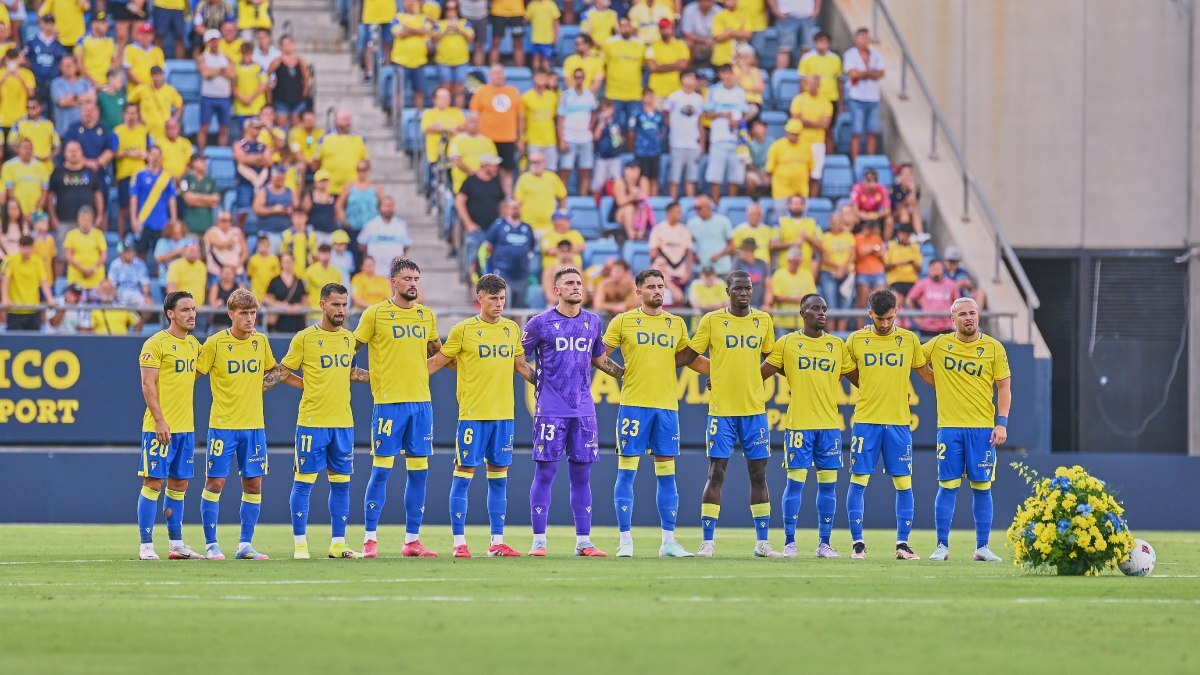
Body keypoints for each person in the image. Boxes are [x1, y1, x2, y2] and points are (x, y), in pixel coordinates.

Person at [427, 274, 535, 557]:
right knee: (463, 476)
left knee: (499, 479)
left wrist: (551, 384)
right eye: (493, 298)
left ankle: (497, 542)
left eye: (502, 298)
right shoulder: (463, 330)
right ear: (480, 298)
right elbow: (437, 362)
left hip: (504, 416)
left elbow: (522, 367)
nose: (499, 304)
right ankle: (459, 543)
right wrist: (400, 379)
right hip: (473, 415)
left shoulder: (512, 329)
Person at [522, 267, 624, 556]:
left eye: (579, 282)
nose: (576, 287)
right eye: (569, 283)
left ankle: (583, 541)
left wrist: (628, 376)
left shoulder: (593, 322)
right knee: (546, 472)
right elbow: (518, 359)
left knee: (582, 476)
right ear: (557, 290)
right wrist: (540, 382)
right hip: (550, 411)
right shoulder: (539, 323)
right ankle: (539, 541)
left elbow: (601, 360)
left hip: (583, 410)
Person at [602, 269, 704, 557]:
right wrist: (619, 372)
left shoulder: (676, 323)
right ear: (638, 291)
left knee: (667, 475)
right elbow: (599, 355)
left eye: (661, 286)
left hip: (667, 407)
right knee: (626, 474)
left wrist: (721, 374)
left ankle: (668, 542)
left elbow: (690, 360)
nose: (658, 291)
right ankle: (625, 541)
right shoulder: (623, 321)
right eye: (651, 287)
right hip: (634, 405)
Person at [350, 258, 443, 558]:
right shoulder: (375, 315)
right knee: (381, 472)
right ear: (393, 282)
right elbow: (348, 351)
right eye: (407, 278)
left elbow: (438, 355)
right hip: (389, 405)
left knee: (419, 474)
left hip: (421, 404)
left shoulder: (426, 316)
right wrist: (366, 376)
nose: (413, 283)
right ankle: (369, 539)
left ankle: (412, 540)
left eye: (416, 278)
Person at [688, 270, 784, 558]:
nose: (743, 293)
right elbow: (690, 355)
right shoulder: (712, 320)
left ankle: (763, 543)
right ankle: (707, 541)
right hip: (722, 411)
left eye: (748, 288)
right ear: (727, 291)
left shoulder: (763, 320)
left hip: (754, 410)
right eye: (738, 288)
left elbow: (774, 357)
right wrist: (715, 372)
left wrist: (753, 378)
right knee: (716, 473)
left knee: (759, 475)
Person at [277, 283, 370, 559]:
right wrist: (307, 385)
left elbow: (349, 372)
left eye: (344, 304)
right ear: (322, 304)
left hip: (343, 422)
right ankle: (300, 544)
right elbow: (283, 371)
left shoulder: (348, 339)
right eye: (335, 304)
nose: (341, 310)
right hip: (312, 422)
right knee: (304, 482)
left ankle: (338, 543)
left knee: (341, 483)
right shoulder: (304, 338)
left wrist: (383, 376)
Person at [195, 288, 288, 560]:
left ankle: (245, 544)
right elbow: (195, 375)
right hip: (223, 425)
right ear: (231, 314)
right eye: (244, 313)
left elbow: (272, 371)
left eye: (253, 313)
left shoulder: (261, 341)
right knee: (215, 483)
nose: (250, 319)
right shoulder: (214, 344)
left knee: (254, 484)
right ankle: (211, 544)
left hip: (254, 426)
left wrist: (258, 387)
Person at [762, 293, 857, 558]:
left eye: (825, 309)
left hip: (829, 426)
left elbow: (860, 380)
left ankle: (824, 543)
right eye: (815, 308)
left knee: (828, 486)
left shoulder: (837, 346)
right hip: (799, 425)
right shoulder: (788, 343)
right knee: (795, 485)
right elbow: (759, 375)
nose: (822, 313)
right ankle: (790, 543)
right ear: (802, 313)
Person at [844, 288, 934, 561]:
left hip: (898, 423)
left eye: (890, 319)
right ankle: (858, 544)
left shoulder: (909, 340)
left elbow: (926, 375)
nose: (884, 324)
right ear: (870, 314)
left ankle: (902, 545)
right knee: (858, 481)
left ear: (897, 313)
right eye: (879, 319)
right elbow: (848, 371)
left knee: (904, 483)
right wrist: (873, 387)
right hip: (866, 421)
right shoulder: (856, 340)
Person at [922, 297, 1012, 563]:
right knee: (947, 487)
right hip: (949, 428)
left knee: (982, 487)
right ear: (952, 320)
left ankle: (982, 547)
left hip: (983, 429)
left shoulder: (993, 348)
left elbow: (1004, 387)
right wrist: (934, 380)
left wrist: (1002, 422)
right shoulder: (939, 344)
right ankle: (941, 546)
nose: (968, 318)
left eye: (972, 313)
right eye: (962, 314)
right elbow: (913, 358)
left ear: (979, 316)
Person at [133, 291, 202, 560]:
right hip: (159, 428)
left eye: (194, 309)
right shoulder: (155, 344)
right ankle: (146, 545)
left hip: (186, 428)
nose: (192, 314)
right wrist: (160, 420)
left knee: (180, 485)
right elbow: (147, 384)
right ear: (170, 314)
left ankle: (176, 544)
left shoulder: (195, 346)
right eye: (185, 310)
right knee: (153, 482)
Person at [469, 65, 522, 194]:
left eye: (500, 72)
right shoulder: (481, 92)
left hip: (508, 138)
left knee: (507, 170)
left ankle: (508, 198)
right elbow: (474, 115)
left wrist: (521, 138)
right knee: (487, 170)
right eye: (495, 73)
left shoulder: (513, 92)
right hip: (486, 139)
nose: (498, 76)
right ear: (490, 76)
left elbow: (520, 117)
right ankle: (489, 196)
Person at [703, 65, 747, 199]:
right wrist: (722, 114)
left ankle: (731, 202)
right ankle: (715, 204)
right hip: (719, 138)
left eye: (729, 73)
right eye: (724, 73)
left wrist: (738, 122)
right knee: (716, 175)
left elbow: (745, 114)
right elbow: (706, 113)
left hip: (737, 139)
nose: (727, 76)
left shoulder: (740, 92)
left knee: (735, 176)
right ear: (720, 75)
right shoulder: (713, 91)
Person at [843, 27, 885, 163]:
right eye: (862, 37)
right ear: (856, 39)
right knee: (857, 131)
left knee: (872, 131)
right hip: (857, 97)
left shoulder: (876, 55)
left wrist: (864, 74)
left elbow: (881, 73)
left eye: (867, 37)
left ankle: (870, 161)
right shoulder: (850, 54)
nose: (865, 40)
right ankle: (856, 162)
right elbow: (853, 73)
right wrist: (870, 74)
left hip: (873, 97)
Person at [483, 199, 536, 308]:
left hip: (521, 273)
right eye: (513, 207)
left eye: (517, 207)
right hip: (503, 272)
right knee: (502, 304)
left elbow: (530, 248)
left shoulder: (527, 228)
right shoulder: (498, 226)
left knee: (519, 306)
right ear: (507, 209)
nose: (515, 210)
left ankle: (517, 326)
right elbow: (488, 246)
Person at [798, 31, 843, 152]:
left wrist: (840, 102)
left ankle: (828, 157)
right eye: (819, 42)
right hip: (812, 99)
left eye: (825, 42)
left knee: (829, 130)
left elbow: (838, 81)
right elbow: (802, 80)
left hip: (830, 98)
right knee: (809, 128)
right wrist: (802, 98)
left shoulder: (835, 59)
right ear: (815, 43)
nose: (822, 45)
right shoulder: (807, 58)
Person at [129, 146, 178, 256]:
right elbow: (133, 198)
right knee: (140, 252)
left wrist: (173, 219)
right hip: (143, 220)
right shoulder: (139, 175)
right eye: (152, 155)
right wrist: (133, 219)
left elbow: (172, 198)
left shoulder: (167, 177)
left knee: (161, 254)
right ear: (148, 155)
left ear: (161, 157)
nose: (155, 158)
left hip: (162, 223)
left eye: (158, 155)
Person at [112, 103, 151, 238]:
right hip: (124, 174)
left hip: (141, 175)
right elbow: (114, 153)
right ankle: (121, 240)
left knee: (141, 207)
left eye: (134, 113)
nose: (131, 116)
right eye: (129, 113)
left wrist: (146, 155)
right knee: (124, 209)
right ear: (124, 114)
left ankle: (138, 237)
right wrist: (131, 154)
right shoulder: (117, 131)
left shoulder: (144, 131)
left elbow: (149, 152)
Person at [48, 140, 104, 236]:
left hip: (87, 221)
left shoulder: (90, 172)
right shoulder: (57, 172)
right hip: (64, 221)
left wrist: (99, 215)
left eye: (76, 150)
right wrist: (53, 217)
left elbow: (98, 194)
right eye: (70, 151)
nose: (73, 153)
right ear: (65, 153)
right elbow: (50, 196)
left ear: (82, 152)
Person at [556, 69, 598, 194]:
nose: (578, 80)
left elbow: (594, 112)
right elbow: (560, 118)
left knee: (585, 170)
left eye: (581, 77)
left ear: (584, 79)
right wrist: (561, 139)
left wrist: (591, 124)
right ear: (573, 79)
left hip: (585, 138)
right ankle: (562, 197)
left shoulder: (589, 95)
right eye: (576, 77)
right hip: (569, 138)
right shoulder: (566, 95)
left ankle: (583, 198)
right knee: (565, 170)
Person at [663, 70, 703, 199]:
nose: (692, 80)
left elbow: (700, 122)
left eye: (693, 77)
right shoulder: (674, 97)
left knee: (691, 178)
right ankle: (672, 203)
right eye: (689, 77)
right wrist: (672, 129)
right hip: (677, 143)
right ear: (682, 80)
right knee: (675, 177)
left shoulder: (698, 98)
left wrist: (701, 142)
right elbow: (665, 114)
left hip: (693, 143)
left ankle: (690, 203)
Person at [453, 154, 503, 257]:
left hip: (492, 228)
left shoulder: (495, 182)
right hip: (476, 229)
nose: (496, 168)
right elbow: (459, 202)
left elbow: (501, 203)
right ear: (485, 165)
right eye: (493, 165)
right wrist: (468, 223)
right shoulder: (471, 181)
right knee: (473, 258)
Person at [1, 235, 55, 330]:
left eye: (28, 247)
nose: (26, 251)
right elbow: (5, 280)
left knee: (33, 343)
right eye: (23, 247)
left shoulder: (38, 261)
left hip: (33, 310)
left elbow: (43, 281)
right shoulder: (10, 259)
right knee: (15, 343)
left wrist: (50, 298)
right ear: (19, 247)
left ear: (32, 247)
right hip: (15, 310)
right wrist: (5, 298)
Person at [790, 74, 832, 196]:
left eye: (814, 84)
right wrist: (816, 122)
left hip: (818, 142)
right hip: (800, 142)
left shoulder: (825, 102)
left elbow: (825, 125)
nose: (812, 86)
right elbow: (796, 120)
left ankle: (812, 202)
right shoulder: (798, 100)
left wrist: (805, 121)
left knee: (815, 176)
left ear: (819, 85)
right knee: (801, 175)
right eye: (809, 83)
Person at [389, 0, 434, 108]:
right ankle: (396, 118)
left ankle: (418, 118)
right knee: (398, 91)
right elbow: (399, 34)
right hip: (400, 61)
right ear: (403, 3)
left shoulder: (424, 18)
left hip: (419, 61)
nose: (410, 3)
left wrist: (409, 29)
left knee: (419, 92)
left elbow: (427, 31)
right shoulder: (397, 18)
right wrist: (418, 30)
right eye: (407, 1)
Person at [601, 18, 645, 126]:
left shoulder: (640, 44)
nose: (625, 28)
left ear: (631, 27)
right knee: (614, 127)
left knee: (633, 127)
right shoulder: (609, 43)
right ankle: (616, 144)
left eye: (627, 25)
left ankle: (630, 144)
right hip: (614, 94)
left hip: (634, 94)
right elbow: (603, 66)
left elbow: (645, 66)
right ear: (618, 28)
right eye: (622, 26)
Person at [196, 29, 234, 152]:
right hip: (208, 96)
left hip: (224, 96)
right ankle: (201, 152)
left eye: (216, 41)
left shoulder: (226, 58)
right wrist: (221, 71)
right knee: (204, 126)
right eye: (212, 41)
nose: (214, 44)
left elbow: (233, 74)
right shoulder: (203, 57)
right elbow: (205, 73)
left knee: (224, 127)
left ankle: (221, 151)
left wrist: (214, 71)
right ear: (207, 43)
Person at [818, 212, 855, 331]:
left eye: (837, 222)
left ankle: (841, 340)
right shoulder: (826, 237)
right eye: (832, 222)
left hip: (847, 275)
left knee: (845, 308)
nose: (835, 224)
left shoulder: (848, 236)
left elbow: (852, 255)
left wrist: (843, 269)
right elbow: (824, 258)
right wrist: (838, 268)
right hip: (829, 273)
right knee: (831, 306)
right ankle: (832, 337)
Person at [513, 151, 567, 234]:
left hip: (549, 226)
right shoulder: (523, 179)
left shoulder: (552, 177)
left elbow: (563, 196)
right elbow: (517, 202)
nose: (536, 164)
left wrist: (561, 214)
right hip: (528, 226)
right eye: (533, 162)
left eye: (538, 162)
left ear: (544, 162)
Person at [765, 119, 812, 210]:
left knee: (801, 220)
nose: (794, 136)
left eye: (796, 133)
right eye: (792, 133)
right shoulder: (777, 146)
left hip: (801, 191)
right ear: (786, 132)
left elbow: (810, 168)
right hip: (781, 191)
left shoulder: (806, 146)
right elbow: (769, 169)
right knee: (781, 219)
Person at [769, 245, 816, 334]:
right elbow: (775, 296)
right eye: (795, 262)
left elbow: (813, 296)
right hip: (782, 321)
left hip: (801, 322)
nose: (797, 265)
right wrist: (793, 298)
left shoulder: (807, 275)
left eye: (799, 262)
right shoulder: (779, 274)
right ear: (789, 261)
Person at [433, 2, 473, 106]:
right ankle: (446, 113)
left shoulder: (465, 23)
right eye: (449, 9)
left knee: (459, 89)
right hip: (443, 61)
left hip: (461, 60)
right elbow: (434, 39)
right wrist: (446, 28)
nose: (452, 11)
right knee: (445, 89)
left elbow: (471, 38)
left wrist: (459, 29)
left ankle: (458, 113)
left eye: (454, 9)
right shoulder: (439, 23)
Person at [907, 259, 960, 338]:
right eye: (933, 269)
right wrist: (916, 319)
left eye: (938, 269)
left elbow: (958, 304)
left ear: (943, 269)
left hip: (946, 327)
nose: (935, 271)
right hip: (927, 327)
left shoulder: (951, 284)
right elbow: (909, 299)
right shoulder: (922, 283)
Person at [357, 196, 412, 269]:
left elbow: (406, 246)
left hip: (395, 270)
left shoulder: (401, 225)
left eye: (390, 205)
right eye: (385, 205)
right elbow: (361, 245)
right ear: (379, 207)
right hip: (375, 271)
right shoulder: (370, 224)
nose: (388, 208)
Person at [628, 89, 665, 196]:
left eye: (651, 96)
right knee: (643, 178)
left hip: (655, 151)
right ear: (642, 98)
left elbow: (662, 130)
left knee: (654, 178)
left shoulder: (659, 114)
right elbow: (631, 131)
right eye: (646, 96)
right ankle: (644, 200)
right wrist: (632, 147)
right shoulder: (637, 114)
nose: (649, 99)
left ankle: (653, 201)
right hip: (641, 151)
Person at [447, 111, 496, 192]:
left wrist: (481, 175)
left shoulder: (487, 141)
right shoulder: (457, 140)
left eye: (477, 121)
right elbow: (456, 160)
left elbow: (493, 162)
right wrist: (473, 174)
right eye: (471, 121)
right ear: (465, 123)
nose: (474, 124)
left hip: (483, 185)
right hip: (462, 184)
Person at [2, 138, 50, 217]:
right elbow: (10, 192)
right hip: (17, 213)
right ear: (18, 149)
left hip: (37, 213)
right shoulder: (8, 166)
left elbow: (45, 192)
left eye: (29, 148)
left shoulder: (42, 167)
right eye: (24, 148)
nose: (27, 151)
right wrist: (19, 212)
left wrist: (36, 210)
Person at [648, 201, 693, 287]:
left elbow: (689, 254)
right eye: (677, 212)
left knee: (679, 298)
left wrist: (687, 273)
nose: (680, 214)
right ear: (669, 213)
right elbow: (653, 253)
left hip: (680, 273)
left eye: (680, 212)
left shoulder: (685, 230)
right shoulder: (658, 229)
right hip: (662, 273)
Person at [522, 70, 559, 171]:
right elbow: (522, 120)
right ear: (533, 79)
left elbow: (557, 119)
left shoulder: (553, 97)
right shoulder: (526, 97)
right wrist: (522, 139)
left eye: (544, 77)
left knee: (551, 171)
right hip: (533, 141)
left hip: (550, 141)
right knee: (533, 171)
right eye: (539, 77)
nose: (541, 79)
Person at [687, 195, 734, 275]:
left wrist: (719, 255)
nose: (696, 211)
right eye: (695, 208)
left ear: (708, 207)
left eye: (699, 208)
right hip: (700, 269)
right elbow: (689, 244)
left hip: (721, 269)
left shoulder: (723, 221)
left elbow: (732, 245)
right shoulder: (691, 224)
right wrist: (694, 255)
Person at [63, 206, 107, 292]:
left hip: (96, 276)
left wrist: (93, 269)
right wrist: (81, 269)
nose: (85, 223)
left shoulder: (99, 234)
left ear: (92, 220)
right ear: (78, 220)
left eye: (88, 220)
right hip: (76, 275)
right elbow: (68, 255)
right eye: (83, 220)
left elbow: (103, 255)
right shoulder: (71, 234)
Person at [269, 35, 309, 127]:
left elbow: (306, 78)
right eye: (285, 44)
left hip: (297, 98)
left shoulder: (300, 61)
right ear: (280, 47)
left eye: (289, 44)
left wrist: (305, 93)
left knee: (297, 127)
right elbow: (268, 75)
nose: (287, 46)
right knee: (281, 127)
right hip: (281, 98)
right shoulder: (277, 61)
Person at [646, 18, 689, 100]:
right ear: (659, 30)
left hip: (676, 89)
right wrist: (675, 65)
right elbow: (652, 67)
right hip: (657, 90)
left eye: (667, 28)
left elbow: (683, 65)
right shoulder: (652, 46)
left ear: (672, 29)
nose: (665, 31)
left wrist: (660, 67)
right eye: (662, 28)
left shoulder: (680, 44)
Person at [335, 160, 383, 234]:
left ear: (368, 170)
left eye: (364, 169)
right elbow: (339, 204)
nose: (361, 172)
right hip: (352, 227)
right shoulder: (349, 186)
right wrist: (343, 219)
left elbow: (382, 205)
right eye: (359, 170)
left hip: (371, 228)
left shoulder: (376, 187)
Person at [264, 252, 307, 333]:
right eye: (285, 262)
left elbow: (305, 300)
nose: (288, 264)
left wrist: (298, 306)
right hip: (279, 322)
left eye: (290, 261)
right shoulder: (275, 281)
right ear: (281, 264)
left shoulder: (299, 281)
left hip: (297, 322)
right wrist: (281, 305)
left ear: (293, 263)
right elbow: (266, 298)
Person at [50, 55, 94, 133]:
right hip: (64, 130)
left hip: (84, 130)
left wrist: (73, 98)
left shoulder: (84, 83)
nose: (66, 68)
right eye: (63, 65)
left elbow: (92, 100)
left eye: (69, 65)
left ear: (76, 67)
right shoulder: (56, 83)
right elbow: (62, 102)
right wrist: (83, 100)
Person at [773, 0, 822, 70]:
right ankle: (780, 75)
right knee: (784, 49)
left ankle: (805, 77)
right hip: (786, 17)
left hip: (807, 17)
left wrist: (817, 10)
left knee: (806, 49)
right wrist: (775, 10)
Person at [232, 43, 268, 138]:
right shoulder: (235, 68)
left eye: (248, 53)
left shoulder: (259, 68)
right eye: (244, 53)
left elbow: (263, 85)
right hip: (241, 107)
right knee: (242, 133)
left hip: (256, 107)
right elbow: (233, 86)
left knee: (257, 133)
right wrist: (243, 99)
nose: (246, 56)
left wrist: (250, 98)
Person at [179, 156, 220, 236]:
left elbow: (216, 200)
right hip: (190, 227)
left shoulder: (211, 180)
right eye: (201, 161)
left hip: (208, 227)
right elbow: (187, 199)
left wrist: (195, 198)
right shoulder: (185, 180)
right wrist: (208, 202)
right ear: (193, 163)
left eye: (205, 161)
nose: (205, 163)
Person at [854, 218, 886, 311]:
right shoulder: (858, 237)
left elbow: (882, 254)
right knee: (862, 304)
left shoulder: (877, 237)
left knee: (879, 303)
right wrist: (872, 248)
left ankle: (877, 326)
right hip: (863, 273)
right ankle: (860, 326)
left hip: (878, 272)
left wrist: (873, 250)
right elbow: (860, 252)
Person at [78, 13, 117, 88]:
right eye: (103, 23)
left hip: (106, 83)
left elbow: (115, 63)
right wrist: (94, 82)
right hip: (87, 83)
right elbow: (80, 65)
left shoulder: (110, 41)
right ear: (94, 24)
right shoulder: (82, 40)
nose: (106, 25)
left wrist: (109, 78)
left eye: (106, 23)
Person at [204, 211, 247, 279]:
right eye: (223, 220)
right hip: (217, 272)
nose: (226, 223)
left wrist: (237, 265)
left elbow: (245, 253)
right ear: (217, 221)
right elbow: (220, 245)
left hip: (236, 271)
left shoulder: (237, 231)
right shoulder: (212, 231)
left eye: (229, 220)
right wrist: (231, 241)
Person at [885, 225, 922, 303]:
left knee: (920, 300)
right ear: (899, 234)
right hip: (896, 281)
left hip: (912, 281)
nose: (905, 237)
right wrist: (900, 263)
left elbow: (919, 269)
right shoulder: (891, 246)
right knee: (897, 300)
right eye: (903, 234)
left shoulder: (915, 247)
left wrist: (912, 263)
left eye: (907, 235)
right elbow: (886, 266)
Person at [123, 22, 165, 89]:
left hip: (153, 91)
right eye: (142, 34)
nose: (145, 37)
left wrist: (151, 88)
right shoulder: (129, 49)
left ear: (152, 36)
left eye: (148, 34)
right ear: (137, 35)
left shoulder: (158, 51)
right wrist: (143, 87)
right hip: (134, 90)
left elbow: (160, 72)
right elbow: (128, 71)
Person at [109, 241, 152, 306]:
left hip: (136, 293)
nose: (130, 253)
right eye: (127, 251)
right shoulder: (115, 264)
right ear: (121, 253)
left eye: (131, 251)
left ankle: (140, 317)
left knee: (149, 304)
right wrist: (115, 295)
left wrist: (146, 296)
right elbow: (112, 283)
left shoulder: (140, 264)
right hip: (120, 294)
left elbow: (145, 283)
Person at [710, 0, 750, 68]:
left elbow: (747, 34)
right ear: (724, 1)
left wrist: (730, 32)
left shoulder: (744, 14)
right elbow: (718, 37)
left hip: (740, 57)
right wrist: (738, 32)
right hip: (721, 58)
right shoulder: (719, 16)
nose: (731, 1)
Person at [165, 239, 207, 305]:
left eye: (197, 250)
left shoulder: (202, 266)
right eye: (192, 250)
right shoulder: (175, 265)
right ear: (184, 251)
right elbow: (171, 288)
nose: (195, 253)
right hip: (182, 308)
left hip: (199, 307)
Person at [303, 244, 343, 313]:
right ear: (318, 254)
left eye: (328, 252)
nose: (325, 256)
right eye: (323, 252)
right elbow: (305, 294)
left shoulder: (336, 273)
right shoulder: (309, 271)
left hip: (331, 312)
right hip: (314, 311)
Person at [524, 0, 560, 72]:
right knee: (536, 58)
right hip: (536, 38)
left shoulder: (551, 4)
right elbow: (526, 19)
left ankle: (547, 77)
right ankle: (536, 76)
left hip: (548, 39)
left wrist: (556, 35)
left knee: (546, 60)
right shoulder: (532, 5)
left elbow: (556, 21)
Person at [488, 0, 526, 66]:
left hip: (516, 12)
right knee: (495, 43)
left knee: (518, 44)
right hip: (498, 12)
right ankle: (493, 70)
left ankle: (520, 70)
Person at [680, 0, 718, 66]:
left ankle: (719, 70)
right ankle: (688, 69)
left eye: (709, 1)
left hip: (713, 41)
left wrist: (713, 41)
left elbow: (721, 32)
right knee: (687, 43)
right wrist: (704, 41)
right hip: (696, 42)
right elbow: (687, 33)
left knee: (723, 44)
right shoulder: (689, 10)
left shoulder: (718, 11)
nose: (707, 3)